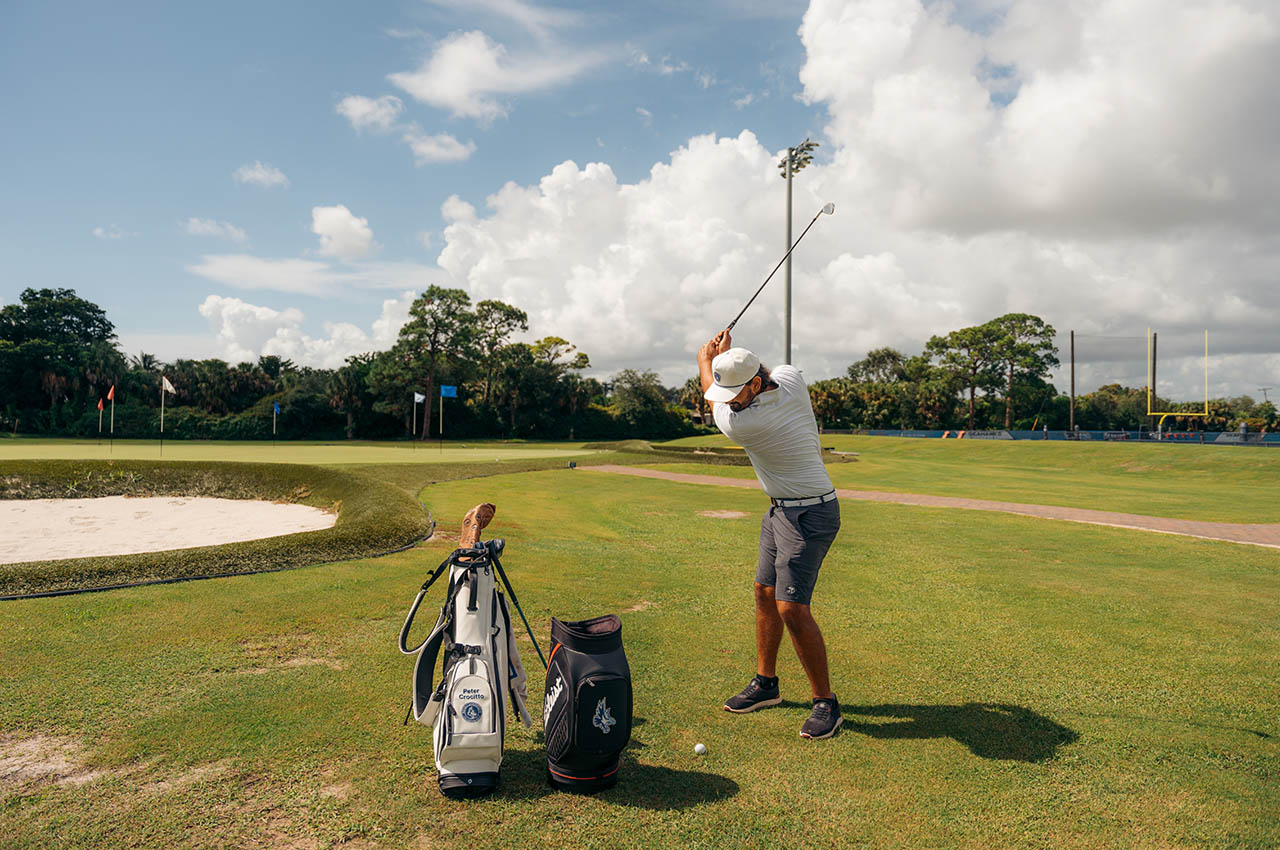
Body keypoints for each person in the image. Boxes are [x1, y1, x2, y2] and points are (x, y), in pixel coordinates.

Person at [697, 329, 843, 739]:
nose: (731, 404)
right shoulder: (791, 379)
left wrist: (704, 360)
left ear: (757, 385)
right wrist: (729, 359)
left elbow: (710, 388)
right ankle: (766, 684)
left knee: (791, 608)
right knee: (764, 592)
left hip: (812, 514)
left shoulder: (747, 424)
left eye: (737, 396)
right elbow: (765, 371)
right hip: (780, 509)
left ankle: (825, 703)